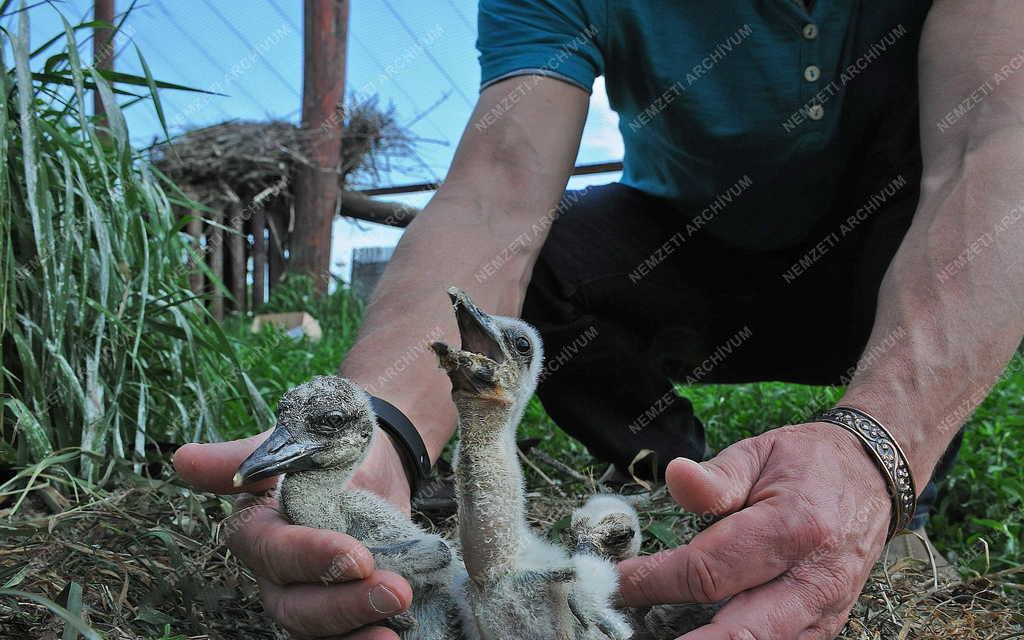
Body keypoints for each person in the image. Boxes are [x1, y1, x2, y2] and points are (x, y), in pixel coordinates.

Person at [173, 2, 1024, 638]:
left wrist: (878, 447)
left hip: (890, 258)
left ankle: (891, 490)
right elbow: (498, 192)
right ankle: (691, 480)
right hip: (690, 256)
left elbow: (997, 145)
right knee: (549, 257)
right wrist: (382, 426)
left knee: (973, 210)